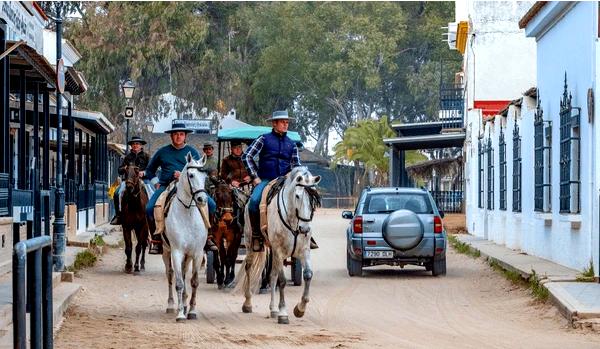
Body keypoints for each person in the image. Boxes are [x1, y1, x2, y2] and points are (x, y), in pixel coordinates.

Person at [242, 110, 318, 251]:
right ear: (274, 123)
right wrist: (255, 176)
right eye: (283, 122)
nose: (285, 124)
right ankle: (257, 236)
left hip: (286, 181)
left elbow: (296, 164)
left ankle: (305, 234)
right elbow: (247, 156)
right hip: (265, 180)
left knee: (304, 199)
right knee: (253, 202)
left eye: (287, 122)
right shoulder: (263, 139)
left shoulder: (292, 144)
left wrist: (295, 173)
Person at [144, 123, 218, 254]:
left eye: (181, 134)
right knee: (150, 208)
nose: (178, 137)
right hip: (166, 186)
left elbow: (200, 171)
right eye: (176, 134)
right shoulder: (162, 152)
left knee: (211, 205)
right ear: (171, 136)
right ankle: (156, 240)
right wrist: (156, 183)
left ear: (185, 136)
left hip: (189, 189)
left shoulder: (192, 152)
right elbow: (150, 171)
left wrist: (183, 176)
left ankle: (208, 237)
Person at [110, 136, 151, 225]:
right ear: (131, 146)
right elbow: (119, 170)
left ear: (141, 145)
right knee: (117, 193)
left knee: (153, 192)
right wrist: (124, 168)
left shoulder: (146, 156)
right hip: (129, 181)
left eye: (137, 144)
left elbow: (151, 169)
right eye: (133, 144)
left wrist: (144, 173)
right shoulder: (127, 157)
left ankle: (152, 215)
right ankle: (118, 215)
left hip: (143, 180)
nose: (135, 145)